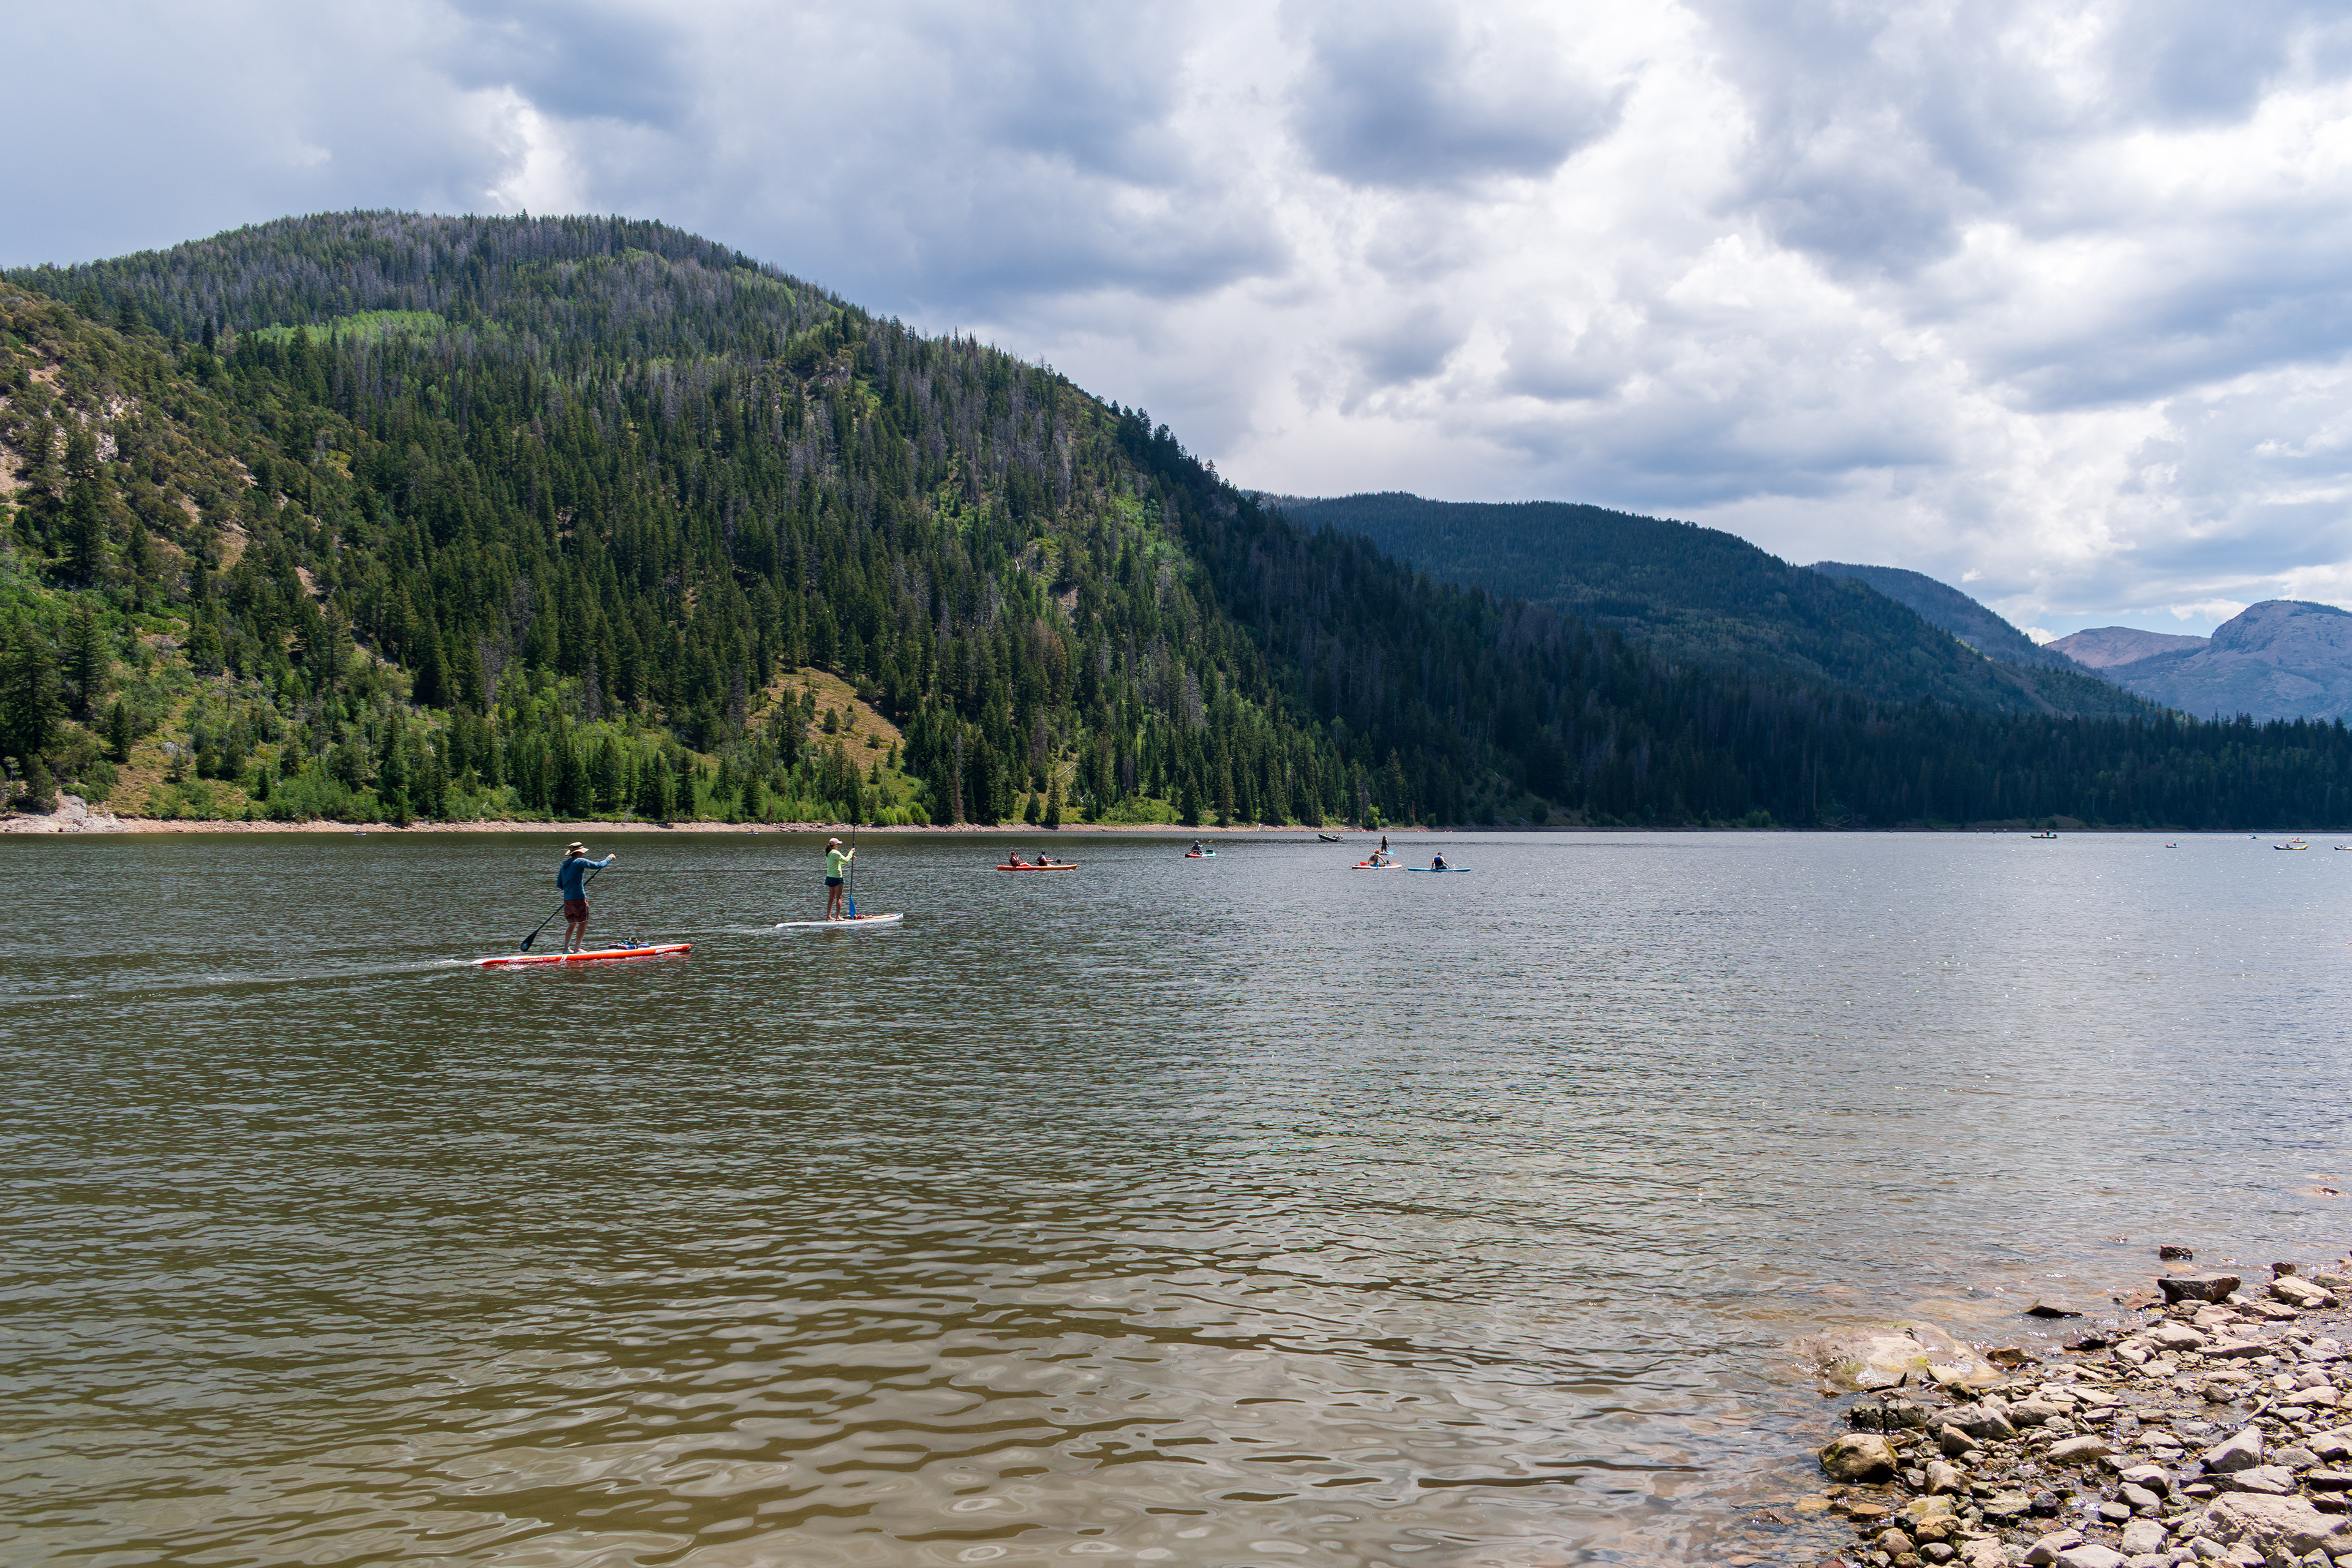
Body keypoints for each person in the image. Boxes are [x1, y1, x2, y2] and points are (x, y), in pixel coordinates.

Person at [556, 841, 616, 952]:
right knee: (583, 922)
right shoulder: (580, 861)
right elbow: (599, 866)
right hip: (578, 897)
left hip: (567, 899)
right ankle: (577, 948)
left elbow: (559, 885)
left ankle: (566, 948)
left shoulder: (564, 865)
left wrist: (570, 888)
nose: (583, 854)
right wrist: (609, 858)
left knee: (572, 923)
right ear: (580, 853)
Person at [825, 836, 855, 918]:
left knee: (831, 898)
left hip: (830, 877)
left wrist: (850, 858)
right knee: (839, 897)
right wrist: (851, 853)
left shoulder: (829, 853)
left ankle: (828, 916)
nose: (839, 846)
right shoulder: (836, 852)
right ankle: (838, 917)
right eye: (838, 844)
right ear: (835, 845)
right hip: (837, 877)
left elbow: (838, 863)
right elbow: (845, 860)